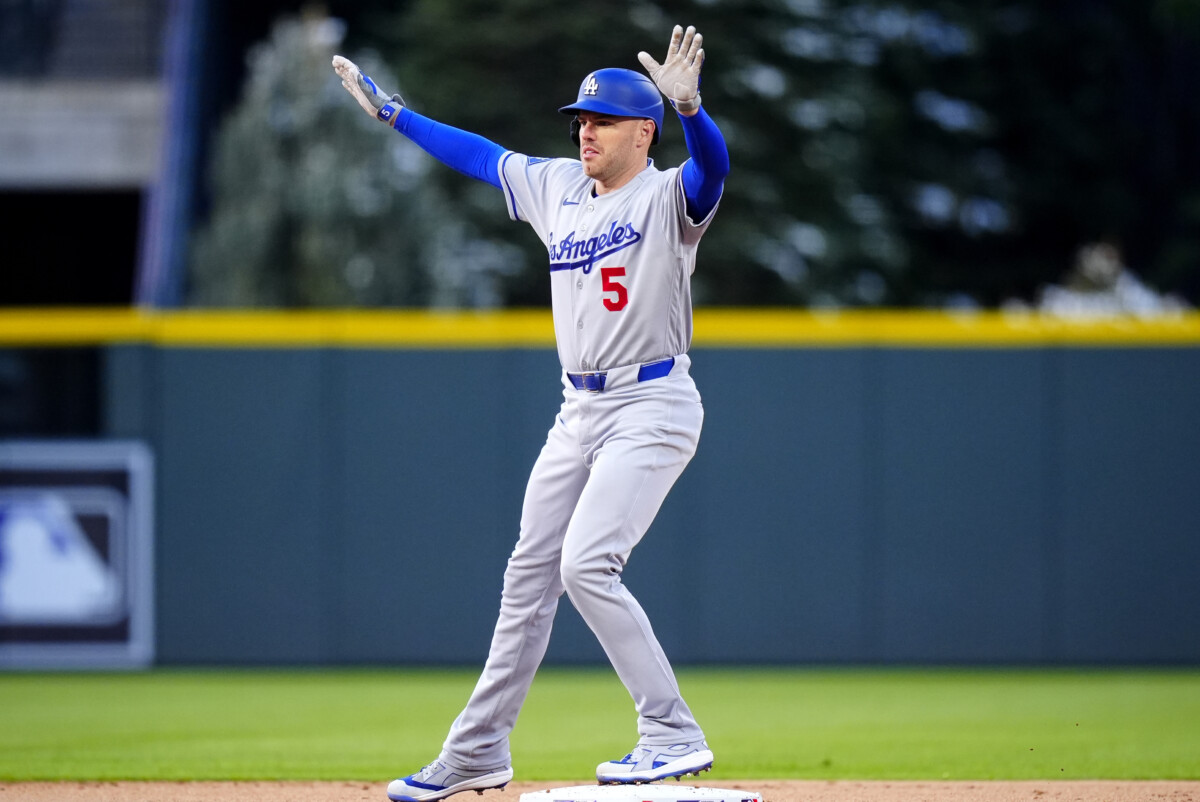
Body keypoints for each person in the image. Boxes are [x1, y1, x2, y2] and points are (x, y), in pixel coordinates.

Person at [333, 23, 730, 802]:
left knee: (587, 565)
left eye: (603, 121)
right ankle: (477, 749)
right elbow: (481, 156)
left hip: (651, 402)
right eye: (580, 120)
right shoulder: (557, 188)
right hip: (577, 409)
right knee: (529, 578)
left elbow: (712, 170)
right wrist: (394, 115)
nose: (585, 132)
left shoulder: (666, 196)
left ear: (643, 133)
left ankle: (671, 732)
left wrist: (693, 111)